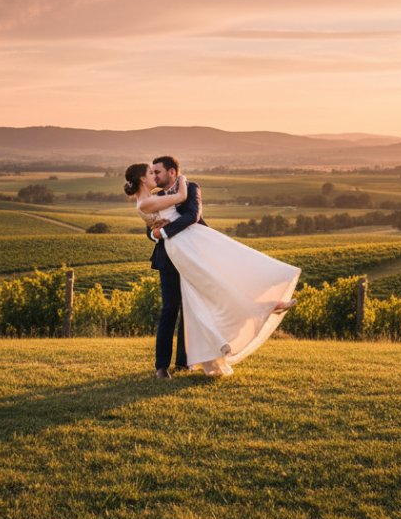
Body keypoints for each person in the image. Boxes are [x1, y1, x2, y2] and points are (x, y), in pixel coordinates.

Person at [124, 156, 299, 378]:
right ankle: (161, 366)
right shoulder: (154, 198)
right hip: (169, 257)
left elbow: (192, 216)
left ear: (171, 172)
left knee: (208, 295)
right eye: (152, 173)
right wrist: (155, 233)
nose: (155, 176)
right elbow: (150, 228)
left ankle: (185, 361)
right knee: (170, 309)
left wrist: (164, 231)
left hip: (195, 249)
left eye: (157, 172)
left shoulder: (191, 187)